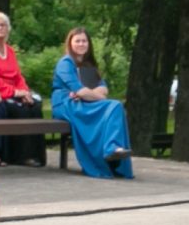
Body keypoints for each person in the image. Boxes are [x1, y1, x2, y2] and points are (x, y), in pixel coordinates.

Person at [52, 27, 133, 179]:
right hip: (65, 103)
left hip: (83, 102)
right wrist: (86, 94)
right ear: (70, 43)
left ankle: (113, 149)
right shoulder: (65, 63)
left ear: (89, 43)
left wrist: (87, 94)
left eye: (84, 41)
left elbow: (103, 89)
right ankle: (108, 150)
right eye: (77, 41)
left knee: (115, 106)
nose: (81, 44)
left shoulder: (89, 65)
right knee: (112, 106)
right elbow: (80, 90)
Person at [0, 10, 44, 165]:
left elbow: (18, 76)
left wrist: (24, 92)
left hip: (16, 91)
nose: (0, 28)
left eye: (3, 25)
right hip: (0, 92)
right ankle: (20, 156)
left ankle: (34, 155)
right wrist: (15, 92)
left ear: (8, 28)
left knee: (34, 106)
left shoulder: (10, 50)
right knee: (20, 110)